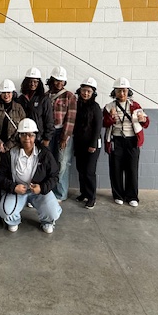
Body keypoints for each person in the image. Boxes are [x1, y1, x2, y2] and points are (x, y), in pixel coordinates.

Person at [0, 118, 62, 234]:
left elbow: (54, 176)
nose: (27, 138)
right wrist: (13, 187)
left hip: (38, 191)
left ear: (36, 137)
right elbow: (0, 176)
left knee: (53, 212)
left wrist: (42, 188)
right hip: (18, 191)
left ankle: (47, 222)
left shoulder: (45, 154)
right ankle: (14, 221)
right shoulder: (10, 154)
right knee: (5, 212)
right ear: (19, 137)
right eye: (23, 135)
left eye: (30, 135)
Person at [103, 77, 150, 207]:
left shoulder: (135, 106)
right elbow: (104, 123)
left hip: (132, 141)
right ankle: (118, 195)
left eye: (124, 91)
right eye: (119, 91)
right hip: (116, 140)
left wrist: (142, 119)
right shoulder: (109, 107)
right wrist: (111, 118)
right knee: (116, 169)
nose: (122, 94)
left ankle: (132, 196)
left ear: (128, 91)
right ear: (114, 92)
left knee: (132, 169)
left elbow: (146, 123)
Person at [46, 66, 77, 201]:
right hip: (49, 132)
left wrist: (65, 136)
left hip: (62, 133)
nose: (59, 83)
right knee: (50, 161)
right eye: (56, 80)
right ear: (52, 80)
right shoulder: (47, 95)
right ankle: (49, 190)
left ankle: (60, 193)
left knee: (62, 162)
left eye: (61, 81)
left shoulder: (69, 96)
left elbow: (71, 118)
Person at [73, 77, 103, 209]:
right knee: (81, 169)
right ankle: (84, 193)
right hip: (79, 143)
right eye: (84, 90)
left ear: (93, 93)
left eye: (89, 91)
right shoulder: (77, 105)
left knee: (89, 171)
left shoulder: (95, 107)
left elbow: (97, 127)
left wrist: (93, 145)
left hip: (92, 145)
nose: (85, 93)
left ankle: (92, 197)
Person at [17, 67, 55, 147]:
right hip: (24, 138)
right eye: (30, 81)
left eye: (35, 81)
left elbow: (49, 121)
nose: (32, 84)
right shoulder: (20, 99)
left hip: (39, 139)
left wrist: (47, 139)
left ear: (39, 83)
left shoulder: (44, 99)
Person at [0, 79, 26, 153]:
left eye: (9, 92)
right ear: (0, 94)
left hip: (14, 147)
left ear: (13, 93)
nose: (6, 95)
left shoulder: (19, 108)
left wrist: (8, 146)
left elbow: (22, 127)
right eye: (3, 92)